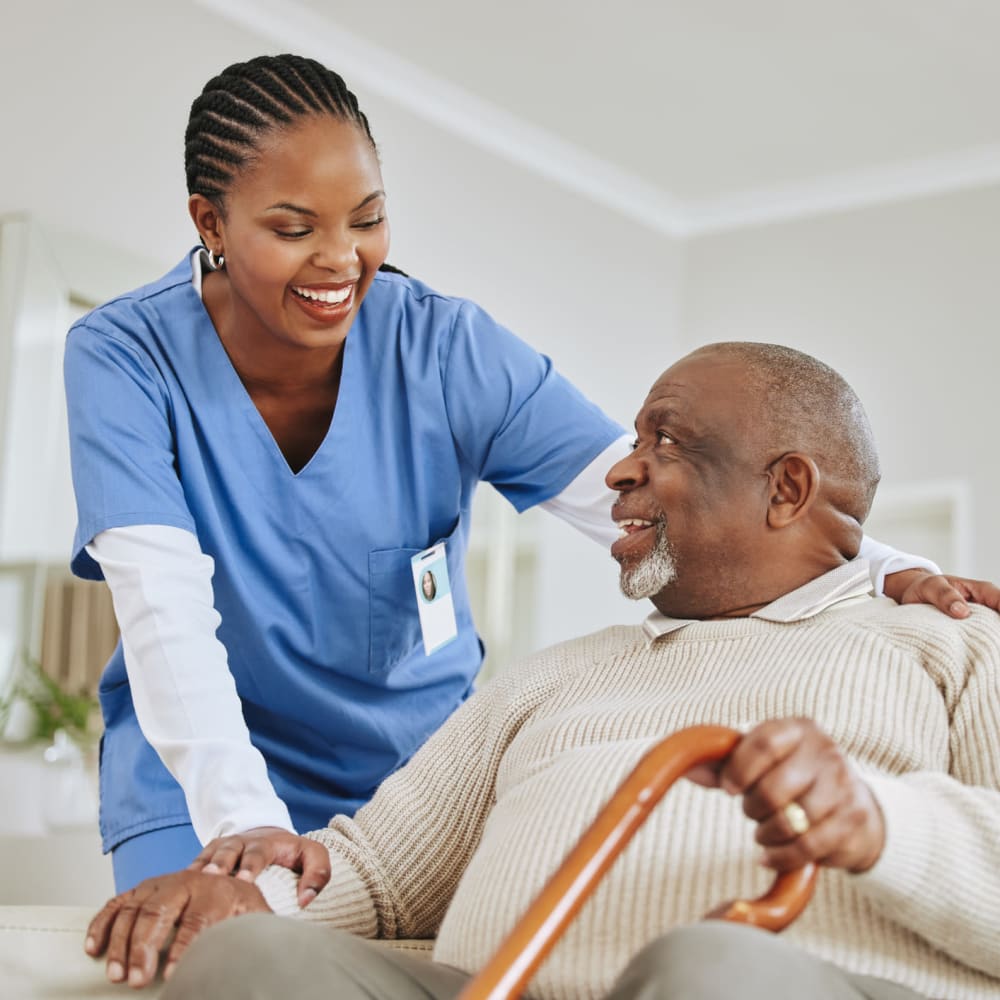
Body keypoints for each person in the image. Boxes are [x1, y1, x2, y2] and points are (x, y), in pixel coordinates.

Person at [64, 52, 987, 895]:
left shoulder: (446, 350)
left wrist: (874, 564)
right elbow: (164, 610)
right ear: (209, 222)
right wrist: (245, 824)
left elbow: (648, 497)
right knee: (211, 963)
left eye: (369, 219)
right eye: (293, 227)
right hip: (203, 775)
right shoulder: (124, 358)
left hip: (413, 782)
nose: (342, 260)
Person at [86, 343, 1000, 999]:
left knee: (715, 969)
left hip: (783, 982)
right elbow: (377, 875)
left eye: (666, 444)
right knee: (250, 960)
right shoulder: (550, 677)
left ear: (787, 489)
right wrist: (242, 900)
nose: (620, 472)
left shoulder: (949, 643)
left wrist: (883, 824)